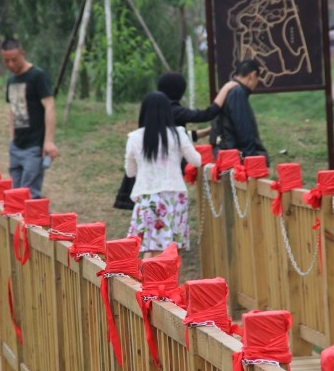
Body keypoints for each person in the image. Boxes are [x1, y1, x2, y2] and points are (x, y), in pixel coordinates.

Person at [112, 73, 237, 211]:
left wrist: (207, 131)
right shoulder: (173, 110)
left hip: (146, 187)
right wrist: (225, 89)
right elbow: (206, 115)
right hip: (169, 187)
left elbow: (172, 137)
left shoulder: (140, 131)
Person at [125, 92, 201, 257]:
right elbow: (196, 161)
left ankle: (148, 275)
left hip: (147, 197)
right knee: (170, 250)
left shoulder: (135, 138)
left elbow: (130, 172)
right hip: (174, 197)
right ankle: (167, 276)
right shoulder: (178, 134)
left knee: (149, 247)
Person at [0, 38, 59, 198]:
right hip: (17, 146)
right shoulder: (11, 80)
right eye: (6, 61)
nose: (11, 64)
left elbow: (49, 106)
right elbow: (12, 109)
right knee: (14, 196)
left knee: (29, 195)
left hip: (34, 147)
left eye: (14, 59)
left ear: (23, 54)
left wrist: (48, 141)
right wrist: (12, 139)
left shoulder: (37, 76)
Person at [209, 59, 269, 164]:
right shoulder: (237, 92)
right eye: (257, 79)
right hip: (234, 155)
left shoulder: (228, 90)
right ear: (252, 76)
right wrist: (251, 159)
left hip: (222, 152)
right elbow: (243, 128)